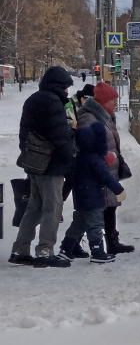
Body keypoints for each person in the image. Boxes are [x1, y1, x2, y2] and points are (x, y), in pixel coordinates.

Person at [9, 66, 78, 268]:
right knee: (52, 208)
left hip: (35, 162)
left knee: (34, 207)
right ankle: (45, 251)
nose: (67, 91)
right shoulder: (52, 102)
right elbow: (59, 136)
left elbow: (25, 134)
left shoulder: (33, 99)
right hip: (51, 165)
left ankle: (20, 250)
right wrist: (71, 155)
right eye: (65, 87)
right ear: (58, 85)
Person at [75, 82, 133, 254]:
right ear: (103, 101)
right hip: (97, 169)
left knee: (110, 206)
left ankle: (112, 242)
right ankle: (74, 244)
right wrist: (103, 156)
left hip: (109, 167)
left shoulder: (106, 116)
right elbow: (84, 142)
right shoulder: (89, 117)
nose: (115, 104)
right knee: (93, 209)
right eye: (112, 101)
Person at [59, 118, 124, 264]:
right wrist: (118, 190)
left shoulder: (82, 157)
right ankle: (97, 252)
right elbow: (106, 176)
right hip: (93, 198)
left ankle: (66, 249)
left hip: (81, 197)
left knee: (78, 224)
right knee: (95, 224)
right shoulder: (95, 159)